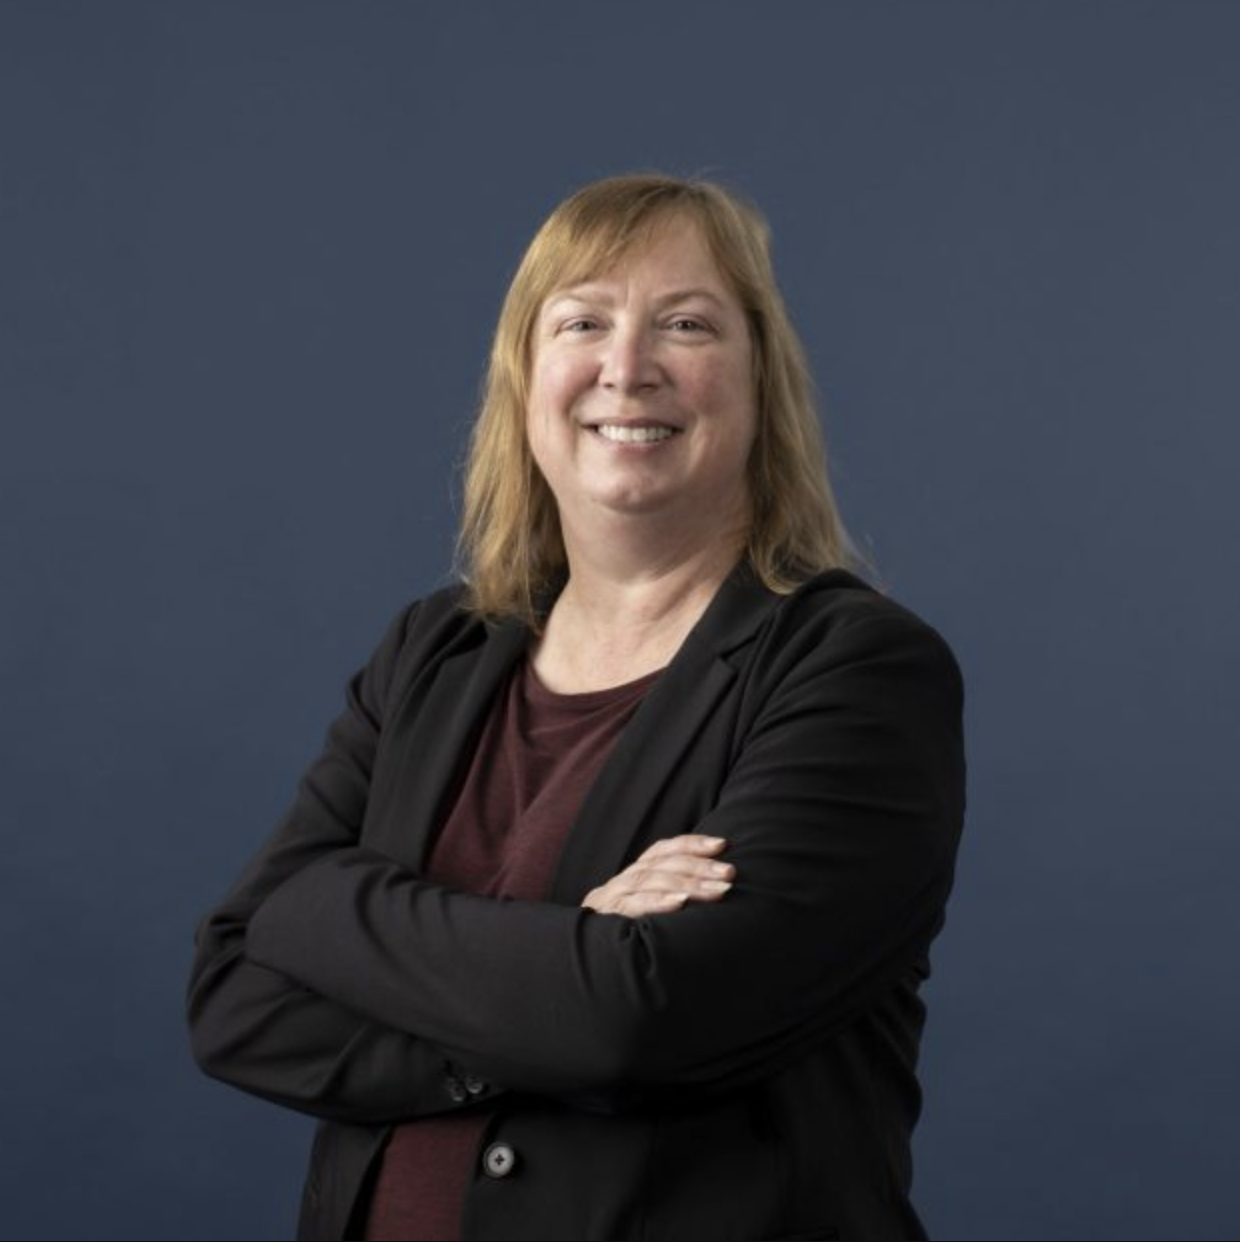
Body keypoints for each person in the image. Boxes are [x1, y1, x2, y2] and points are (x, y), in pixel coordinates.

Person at [187, 172, 967, 1242]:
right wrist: (570, 952)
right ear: (525, 379)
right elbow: (236, 991)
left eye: (685, 324)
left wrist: (338, 907)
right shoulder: (437, 649)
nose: (626, 368)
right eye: (582, 321)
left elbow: (635, 1020)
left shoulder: (854, 670)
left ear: (761, 383)